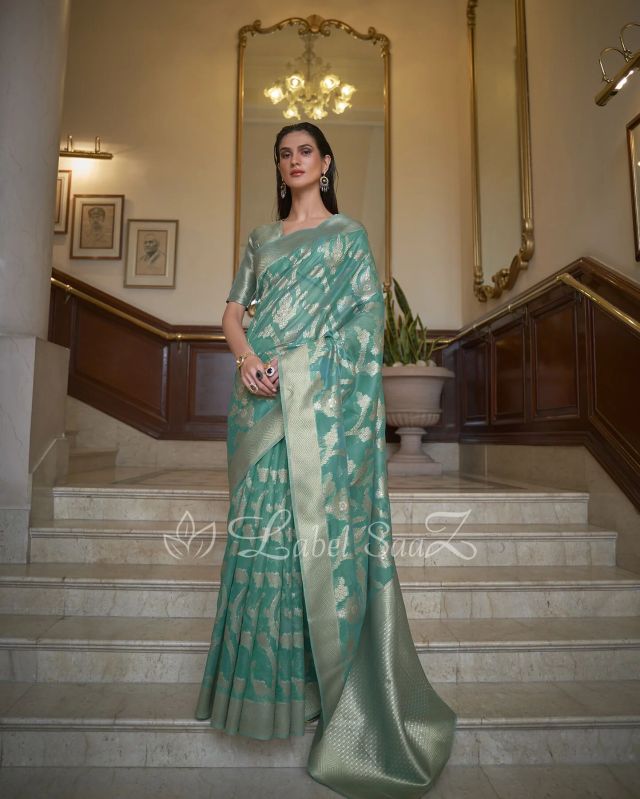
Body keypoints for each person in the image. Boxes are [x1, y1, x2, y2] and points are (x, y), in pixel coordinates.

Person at [194, 122, 457, 797]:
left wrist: (302, 365)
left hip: (312, 401)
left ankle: (315, 693)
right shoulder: (263, 238)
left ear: (326, 162)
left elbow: (366, 324)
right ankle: (258, 695)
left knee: (302, 540)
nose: (294, 161)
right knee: (262, 536)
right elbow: (232, 313)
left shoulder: (348, 238)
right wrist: (248, 360)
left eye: (304, 151)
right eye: (284, 154)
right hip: (258, 400)